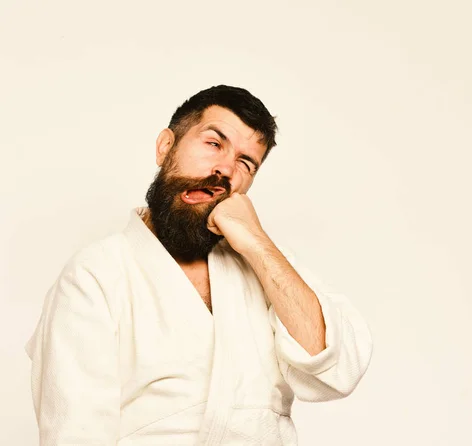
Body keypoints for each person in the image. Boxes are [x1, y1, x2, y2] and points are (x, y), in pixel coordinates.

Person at [25, 85, 373, 445]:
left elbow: (335, 372)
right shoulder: (95, 274)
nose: (225, 169)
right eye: (213, 143)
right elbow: (76, 434)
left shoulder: (266, 264)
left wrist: (256, 243)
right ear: (165, 147)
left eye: (245, 162)